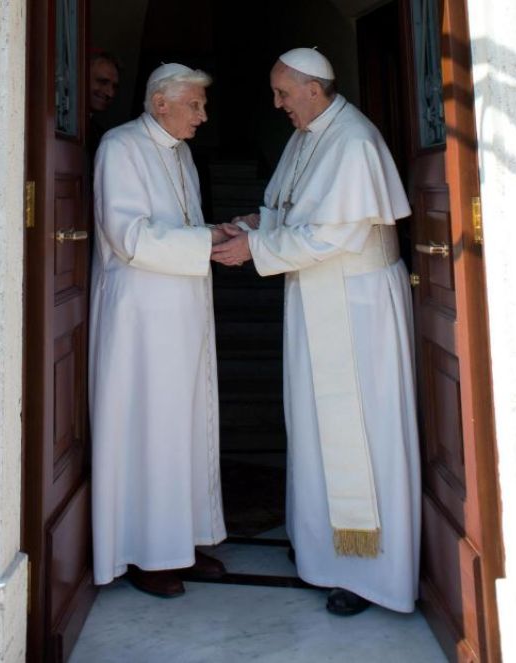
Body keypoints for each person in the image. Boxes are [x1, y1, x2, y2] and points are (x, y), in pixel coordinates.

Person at [212, 48, 421, 616]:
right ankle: (323, 550)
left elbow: (334, 237)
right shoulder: (309, 136)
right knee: (312, 425)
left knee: (361, 429)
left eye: (283, 93)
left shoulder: (353, 141)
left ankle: (371, 572)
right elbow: (298, 213)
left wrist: (252, 248)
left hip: (357, 306)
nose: (277, 104)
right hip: (317, 296)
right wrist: (256, 223)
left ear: (311, 88)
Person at [90, 62, 231, 598]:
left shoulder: (183, 153)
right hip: (142, 321)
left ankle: (183, 543)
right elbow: (129, 235)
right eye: (194, 105)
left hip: (184, 310)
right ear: (159, 104)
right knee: (150, 431)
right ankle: (147, 554)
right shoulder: (121, 148)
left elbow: (185, 228)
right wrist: (207, 243)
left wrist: (214, 234)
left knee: (187, 428)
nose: (202, 115)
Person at [87, 51, 121, 157]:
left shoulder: (101, 135)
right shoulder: (55, 121)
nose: (110, 93)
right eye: (103, 82)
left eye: (114, 87)